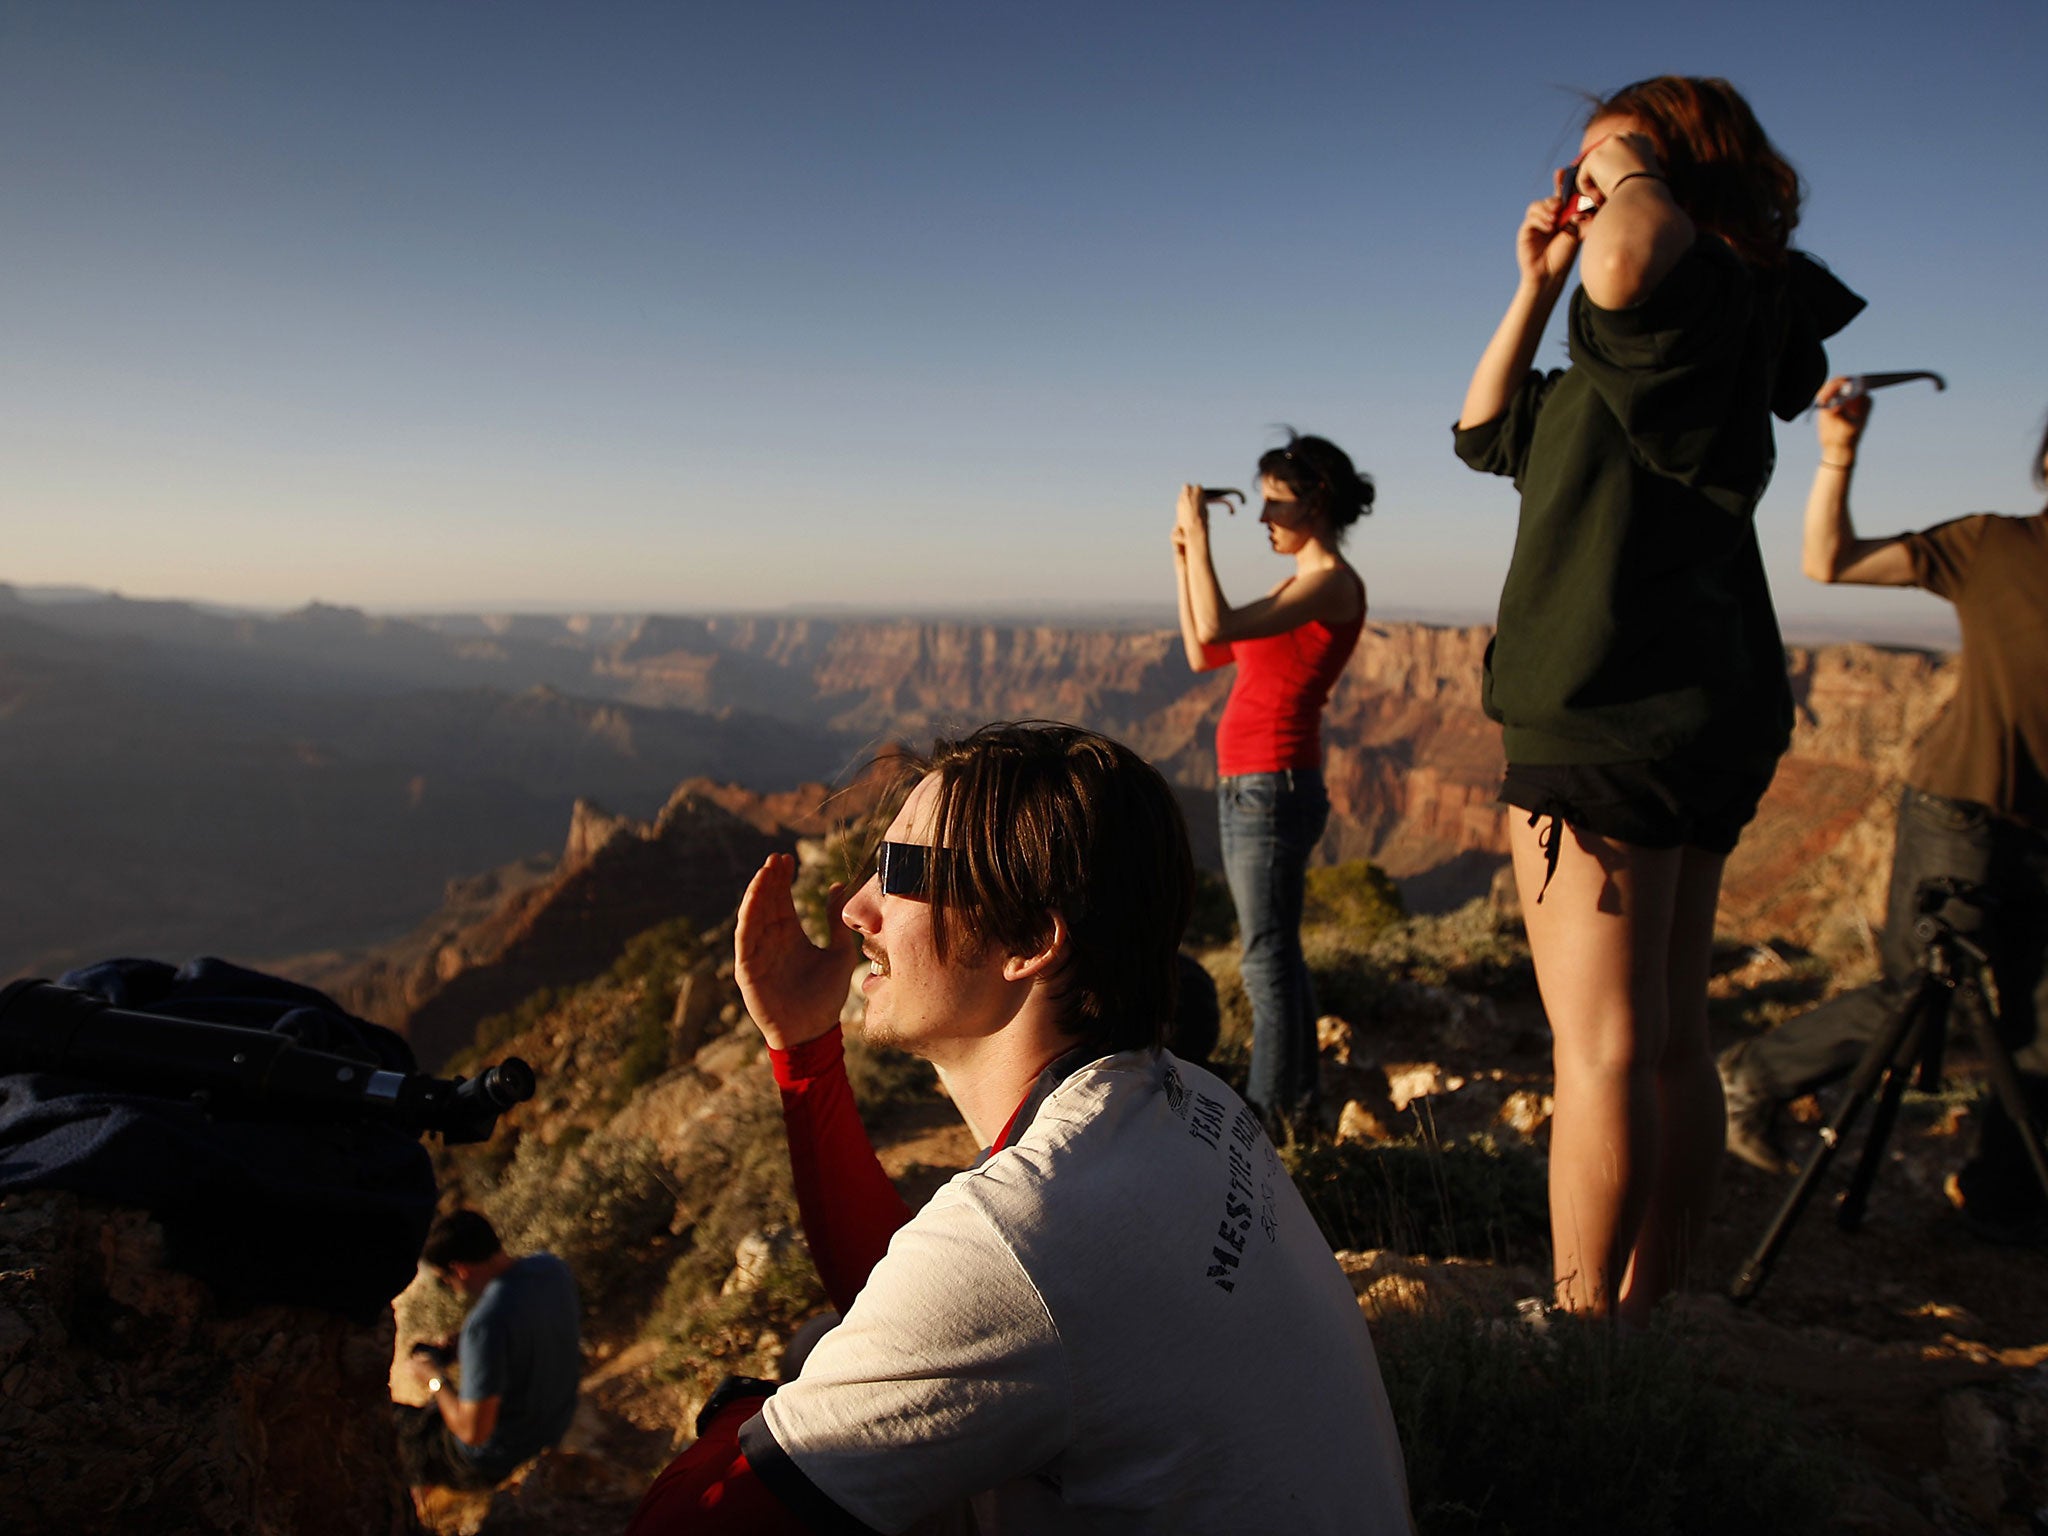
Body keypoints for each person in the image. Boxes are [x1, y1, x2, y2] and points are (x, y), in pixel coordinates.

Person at [627, 721, 1412, 1534]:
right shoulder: (1186, 1101)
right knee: (825, 1343)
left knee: (803, 1376)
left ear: (1032, 940)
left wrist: (746, 1412)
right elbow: (924, 1308)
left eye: (900, 874)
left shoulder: (1032, 1226)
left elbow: (683, 1525)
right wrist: (805, 1046)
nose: (856, 908)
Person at [1452, 75, 1863, 1319]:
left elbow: (1629, 258)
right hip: (1691, 706)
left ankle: (1587, 1346)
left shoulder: (1687, 298)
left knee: (1604, 1051)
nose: (1582, 189)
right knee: (1667, 1039)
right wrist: (1535, 275)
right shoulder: (1673, 328)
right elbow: (1481, 433)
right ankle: (1647, 1316)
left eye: (1600, 164)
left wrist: (1620, 162)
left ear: (1664, 168)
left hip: (1604, 701)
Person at [1719, 392, 2048, 1241]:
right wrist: (1838, 452)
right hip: (1963, 813)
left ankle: (2004, 1202)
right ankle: (1754, 1074)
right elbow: (1831, 560)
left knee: (2042, 1028)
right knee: (1927, 997)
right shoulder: (1995, 543)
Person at [1172, 434, 1373, 1135]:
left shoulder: (1332, 585)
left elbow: (1220, 620)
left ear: (1315, 503)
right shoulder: (1294, 588)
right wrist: (1182, 554)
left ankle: (1270, 1113)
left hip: (1273, 786)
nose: (1263, 518)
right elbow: (1205, 646)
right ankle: (1296, 1102)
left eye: (1274, 503)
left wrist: (1202, 535)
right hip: (1249, 785)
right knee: (1275, 952)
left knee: (1265, 960)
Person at [396, 1208, 582, 1492]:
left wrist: (433, 1378)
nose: (449, 1286)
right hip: (555, 1424)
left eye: (443, 1280)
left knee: (395, 1427)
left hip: (498, 1459)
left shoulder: (484, 1326)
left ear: (460, 1269)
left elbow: (473, 1433)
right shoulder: (551, 1268)